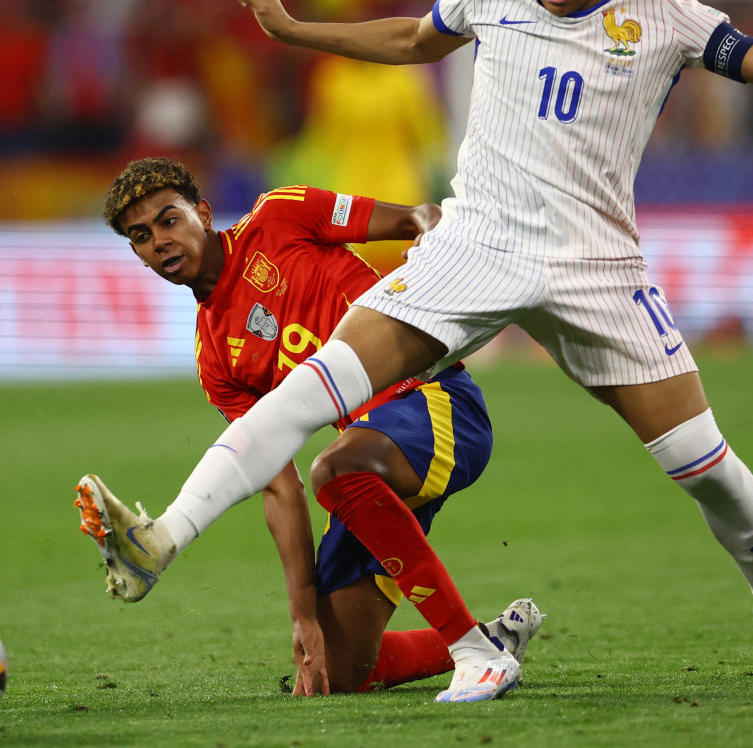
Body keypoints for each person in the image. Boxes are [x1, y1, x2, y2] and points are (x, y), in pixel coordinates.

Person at [82, 0, 753, 699]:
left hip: (596, 267)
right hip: (476, 241)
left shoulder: (665, 16)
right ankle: (162, 537)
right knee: (305, 395)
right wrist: (291, 29)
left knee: (706, 468)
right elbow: (410, 37)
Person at [75, 157, 543, 701]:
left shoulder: (281, 215)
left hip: (436, 401)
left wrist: (432, 243)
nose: (160, 240)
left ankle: (473, 654)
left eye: (169, 219)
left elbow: (419, 215)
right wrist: (303, 617)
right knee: (339, 674)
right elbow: (278, 486)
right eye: (142, 236)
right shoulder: (215, 361)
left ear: (202, 212)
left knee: (335, 469)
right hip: (368, 468)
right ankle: (493, 638)